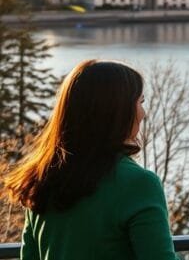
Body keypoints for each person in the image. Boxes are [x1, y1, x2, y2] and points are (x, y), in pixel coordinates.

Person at [4, 60, 176, 260]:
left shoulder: (41, 179)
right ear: (117, 110)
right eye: (140, 102)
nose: (143, 113)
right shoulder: (139, 184)